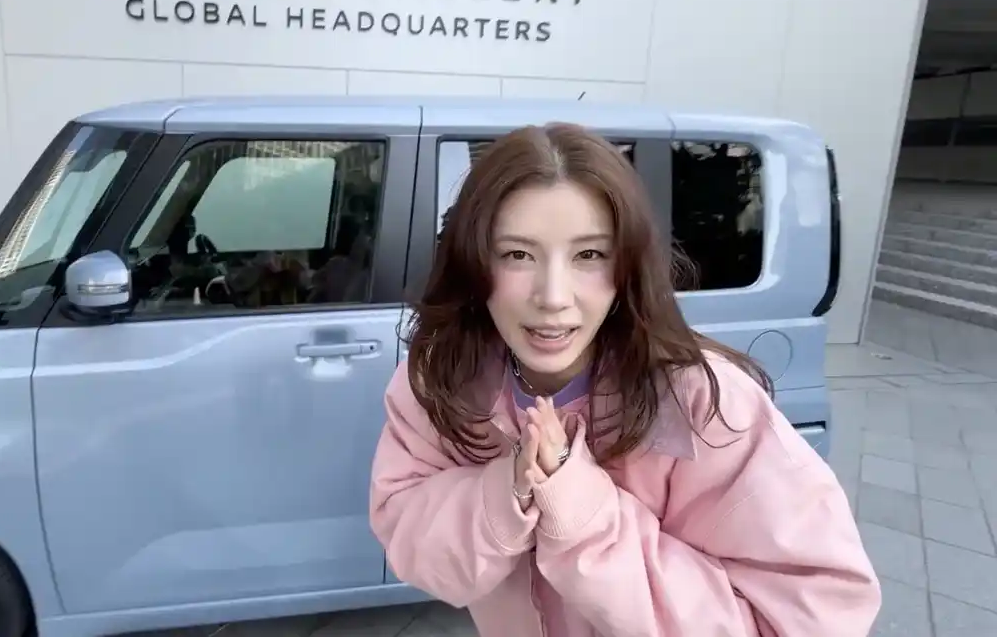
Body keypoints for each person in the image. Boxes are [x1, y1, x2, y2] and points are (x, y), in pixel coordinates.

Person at [368, 123, 879, 636]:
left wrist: (582, 517)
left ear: (628, 265)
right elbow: (407, 533)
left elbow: (817, 615)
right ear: (475, 263)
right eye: (517, 254)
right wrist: (506, 492)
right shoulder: (441, 380)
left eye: (589, 255)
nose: (553, 297)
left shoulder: (705, 405)